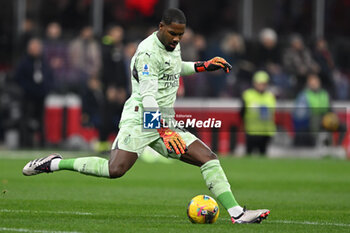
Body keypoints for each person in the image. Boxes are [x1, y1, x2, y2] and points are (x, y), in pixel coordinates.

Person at [22, 8, 270, 224]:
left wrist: (203, 66)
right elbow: (149, 97)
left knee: (208, 157)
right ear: (160, 27)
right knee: (115, 169)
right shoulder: (147, 54)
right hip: (141, 118)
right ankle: (54, 163)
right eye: (173, 33)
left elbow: (175, 66)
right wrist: (164, 131)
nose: (176, 39)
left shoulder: (172, 44)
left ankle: (237, 213)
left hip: (164, 120)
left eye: (180, 35)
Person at [14, 38, 54, 147]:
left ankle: (42, 143)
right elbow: (18, 78)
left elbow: (49, 77)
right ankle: (25, 143)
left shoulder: (44, 62)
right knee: (25, 119)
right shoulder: (23, 62)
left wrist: (45, 89)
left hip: (41, 95)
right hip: (28, 96)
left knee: (41, 120)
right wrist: (28, 88)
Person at [240, 71, 276, 155]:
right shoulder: (247, 95)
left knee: (263, 156)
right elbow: (242, 112)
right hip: (251, 131)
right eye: (259, 83)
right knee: (248, 155)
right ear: (254, 83)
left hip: (266, 131)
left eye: (263, 83)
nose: (261, 86)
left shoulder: (270, 96)